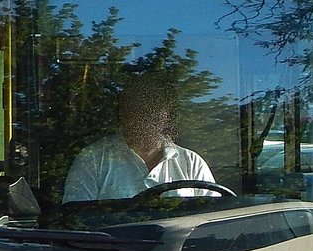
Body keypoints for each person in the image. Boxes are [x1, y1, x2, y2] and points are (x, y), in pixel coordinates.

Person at [63, 80, 216, 202]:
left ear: (167, 117)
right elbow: (75, 220)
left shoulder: (192, 162)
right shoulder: (93, 159)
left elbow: (212, 220)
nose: (146, 119)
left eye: (154, 112)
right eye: (138, 110)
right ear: (123, 115)